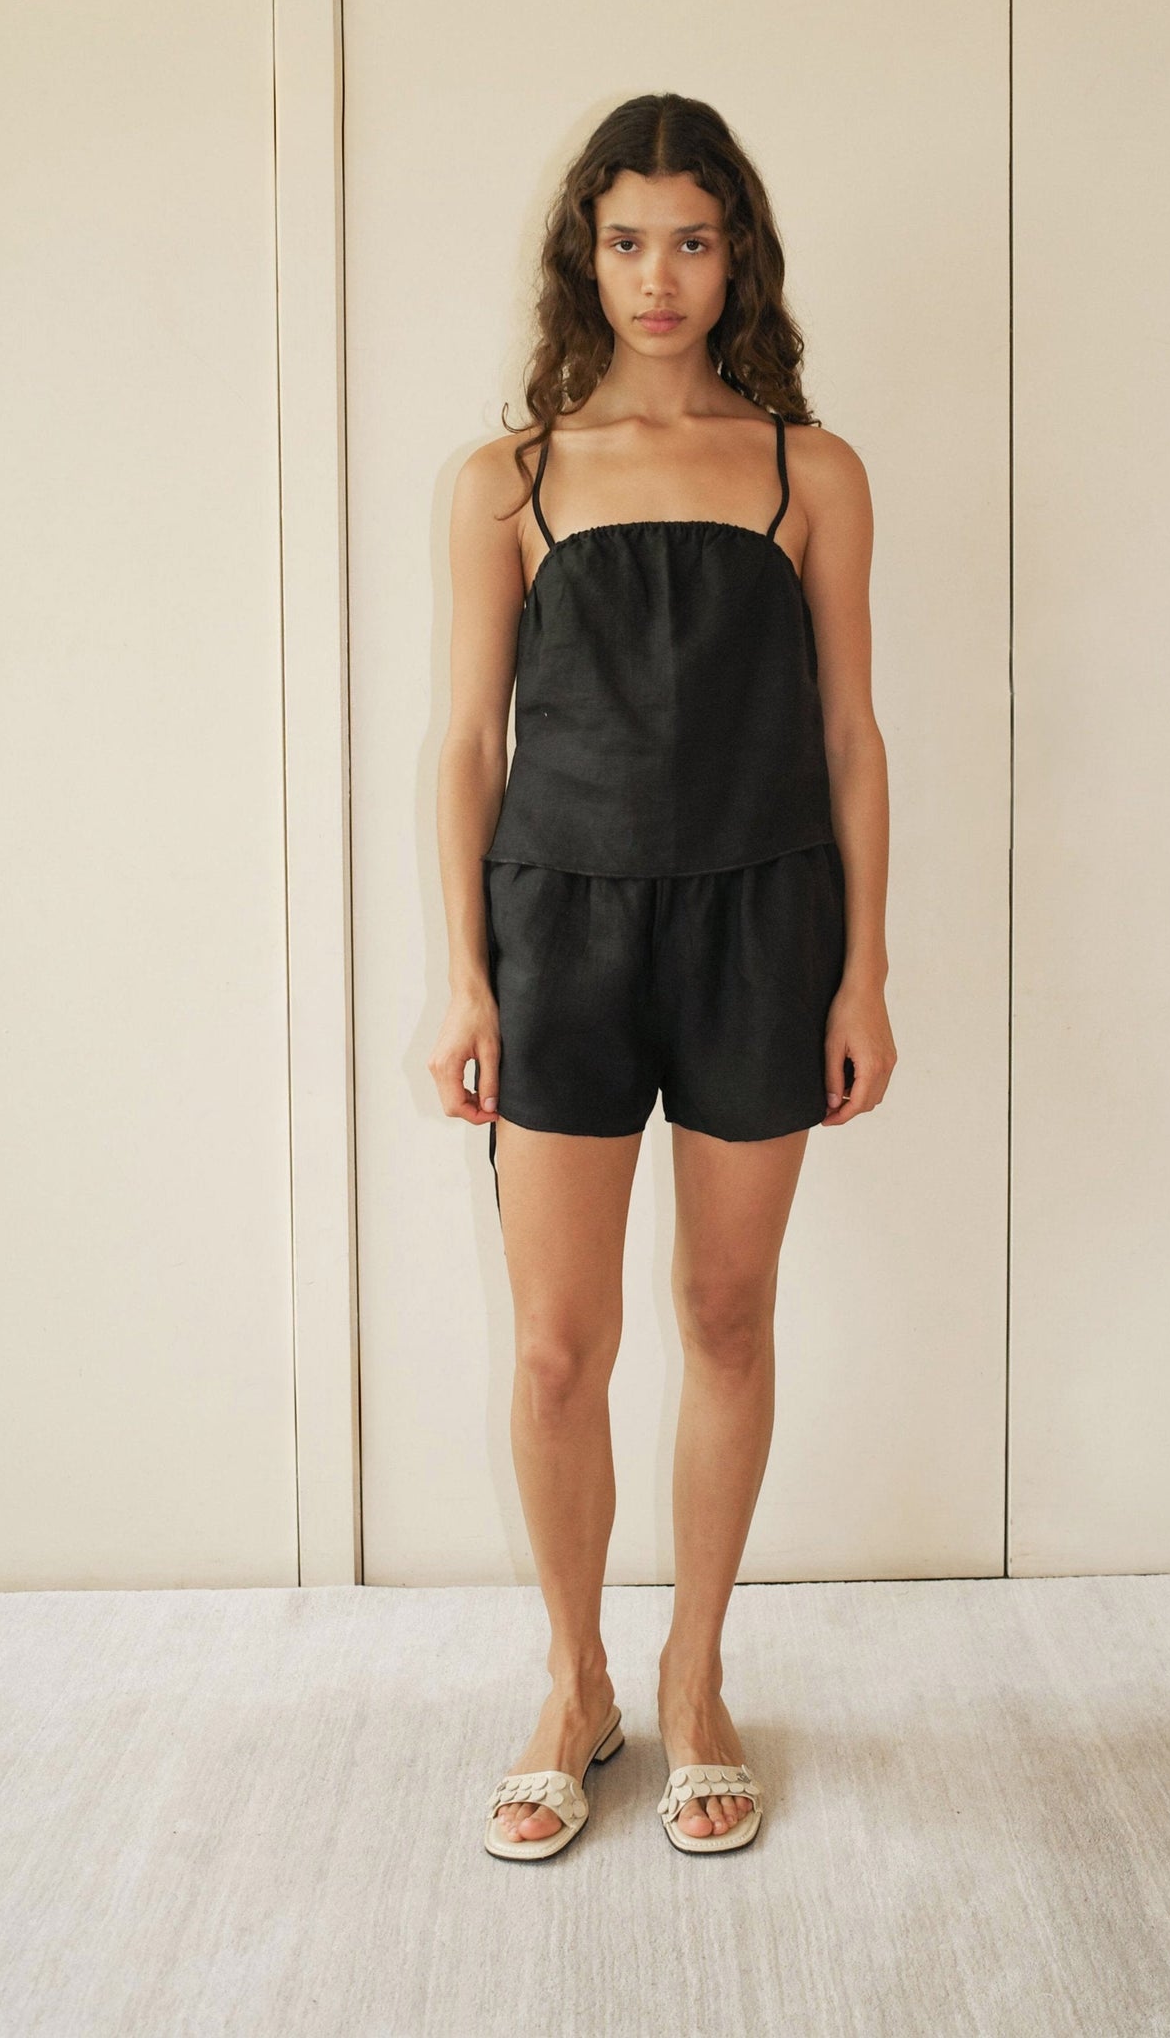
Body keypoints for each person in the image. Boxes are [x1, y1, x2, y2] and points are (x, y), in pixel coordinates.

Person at [430, 92, 896, 1860]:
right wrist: (460, 977)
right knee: (556, 1349)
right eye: (626, 239)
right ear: (585, 254)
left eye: (691, 239)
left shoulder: (808, 467)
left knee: (723, 1318)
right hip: (557, 935)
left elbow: (848, 737)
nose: (658, 276)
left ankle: (695, 1675)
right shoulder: (511, 478)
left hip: (761, 929)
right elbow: (464, 742)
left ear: (735, 255)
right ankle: (575, 1680)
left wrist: (861, 972)